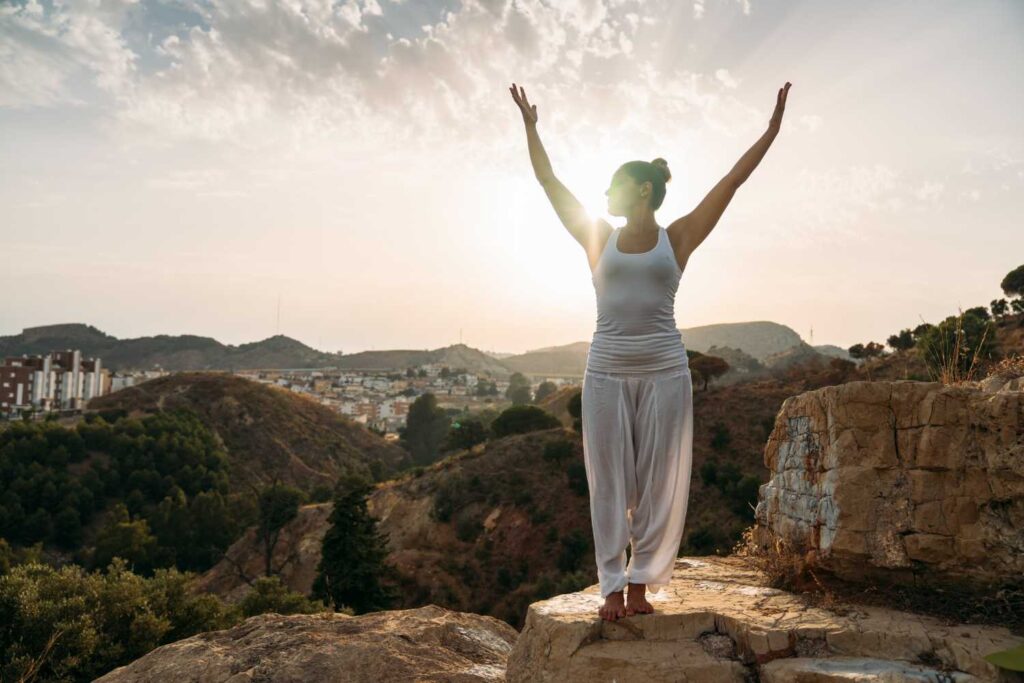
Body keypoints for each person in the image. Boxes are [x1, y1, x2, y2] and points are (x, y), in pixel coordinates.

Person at [509, 81, 791, 621]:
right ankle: (611, 586)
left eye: (615, 186)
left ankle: (641, 583)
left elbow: (731, 183)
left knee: (660, 482)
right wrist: (531, 128)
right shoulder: (596, 235)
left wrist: (771, 131)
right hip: (606, 371)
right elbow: (548, 181)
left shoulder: (678, 238)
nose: (605, 195)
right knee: (610, 482)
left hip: (665, 370)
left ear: (641, 190)